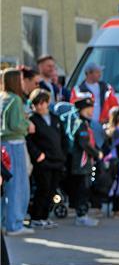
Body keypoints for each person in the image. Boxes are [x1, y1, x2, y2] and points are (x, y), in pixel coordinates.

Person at [26, 89, 67, 229]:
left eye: (42, 102)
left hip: (57, 159)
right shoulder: (32, 120)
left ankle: (45, 216)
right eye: (36, 103)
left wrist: (63, 154)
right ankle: (36, 217)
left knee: (52, 190)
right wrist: (37, 155)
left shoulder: (55, 119)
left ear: (48, 103)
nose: (40, 106)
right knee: (42, 188)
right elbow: (29, 141)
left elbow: (63, 138)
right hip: (43, 161)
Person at [1, 69, 32, 235]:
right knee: (18, 185)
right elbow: (15, 125)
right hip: (15, 144)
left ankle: (5, 221)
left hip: (2, 144)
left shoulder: (1, 97)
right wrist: (27, 124)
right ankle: (15, 224)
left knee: (4, 186)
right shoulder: (15, 99)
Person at [60, 97, 100, 227]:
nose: (91, 111)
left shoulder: (84, 123)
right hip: (80, 163)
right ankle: (81, 215)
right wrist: (96, 153)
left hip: (83, 163)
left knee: (83, 188)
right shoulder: (80, 123)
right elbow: (84, 144)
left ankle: (82, 214)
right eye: (88, 109)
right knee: (82, 189)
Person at [72, 64, 119, 145]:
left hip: (104, 125)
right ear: (89, 74)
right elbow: (73, 108)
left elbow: (115, 106)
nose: (100, 74)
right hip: (86, 126)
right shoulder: (78, 90)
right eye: (97, 72)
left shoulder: (107, 88)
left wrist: (111, 120)